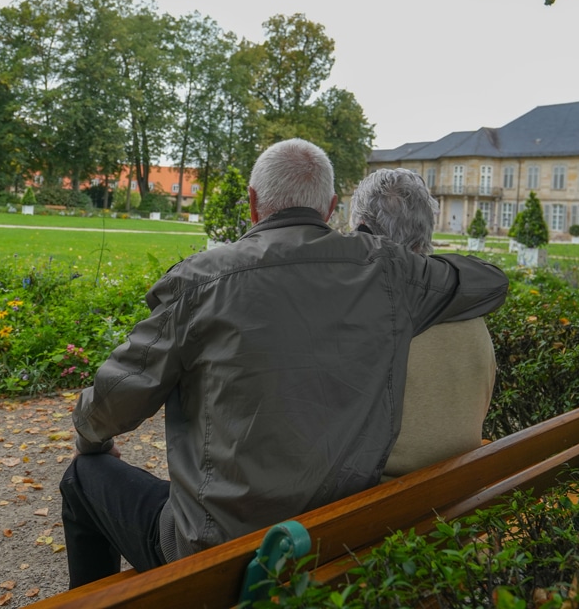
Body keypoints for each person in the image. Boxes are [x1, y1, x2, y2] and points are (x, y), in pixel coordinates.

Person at [59, 139, 508, 588]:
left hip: (220, 552)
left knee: (83, 477)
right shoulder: (385, 273)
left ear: (253, 202)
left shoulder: (202, 280)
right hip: (337, 536)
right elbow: (490, 282)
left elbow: (116, 397)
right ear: (330, 208)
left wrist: (90, 441)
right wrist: (398, 263)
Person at [349, 168, 497, 478]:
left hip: (387, 494)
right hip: (464, 483)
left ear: (362, 229)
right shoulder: (467, 301)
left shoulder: (370, 311)